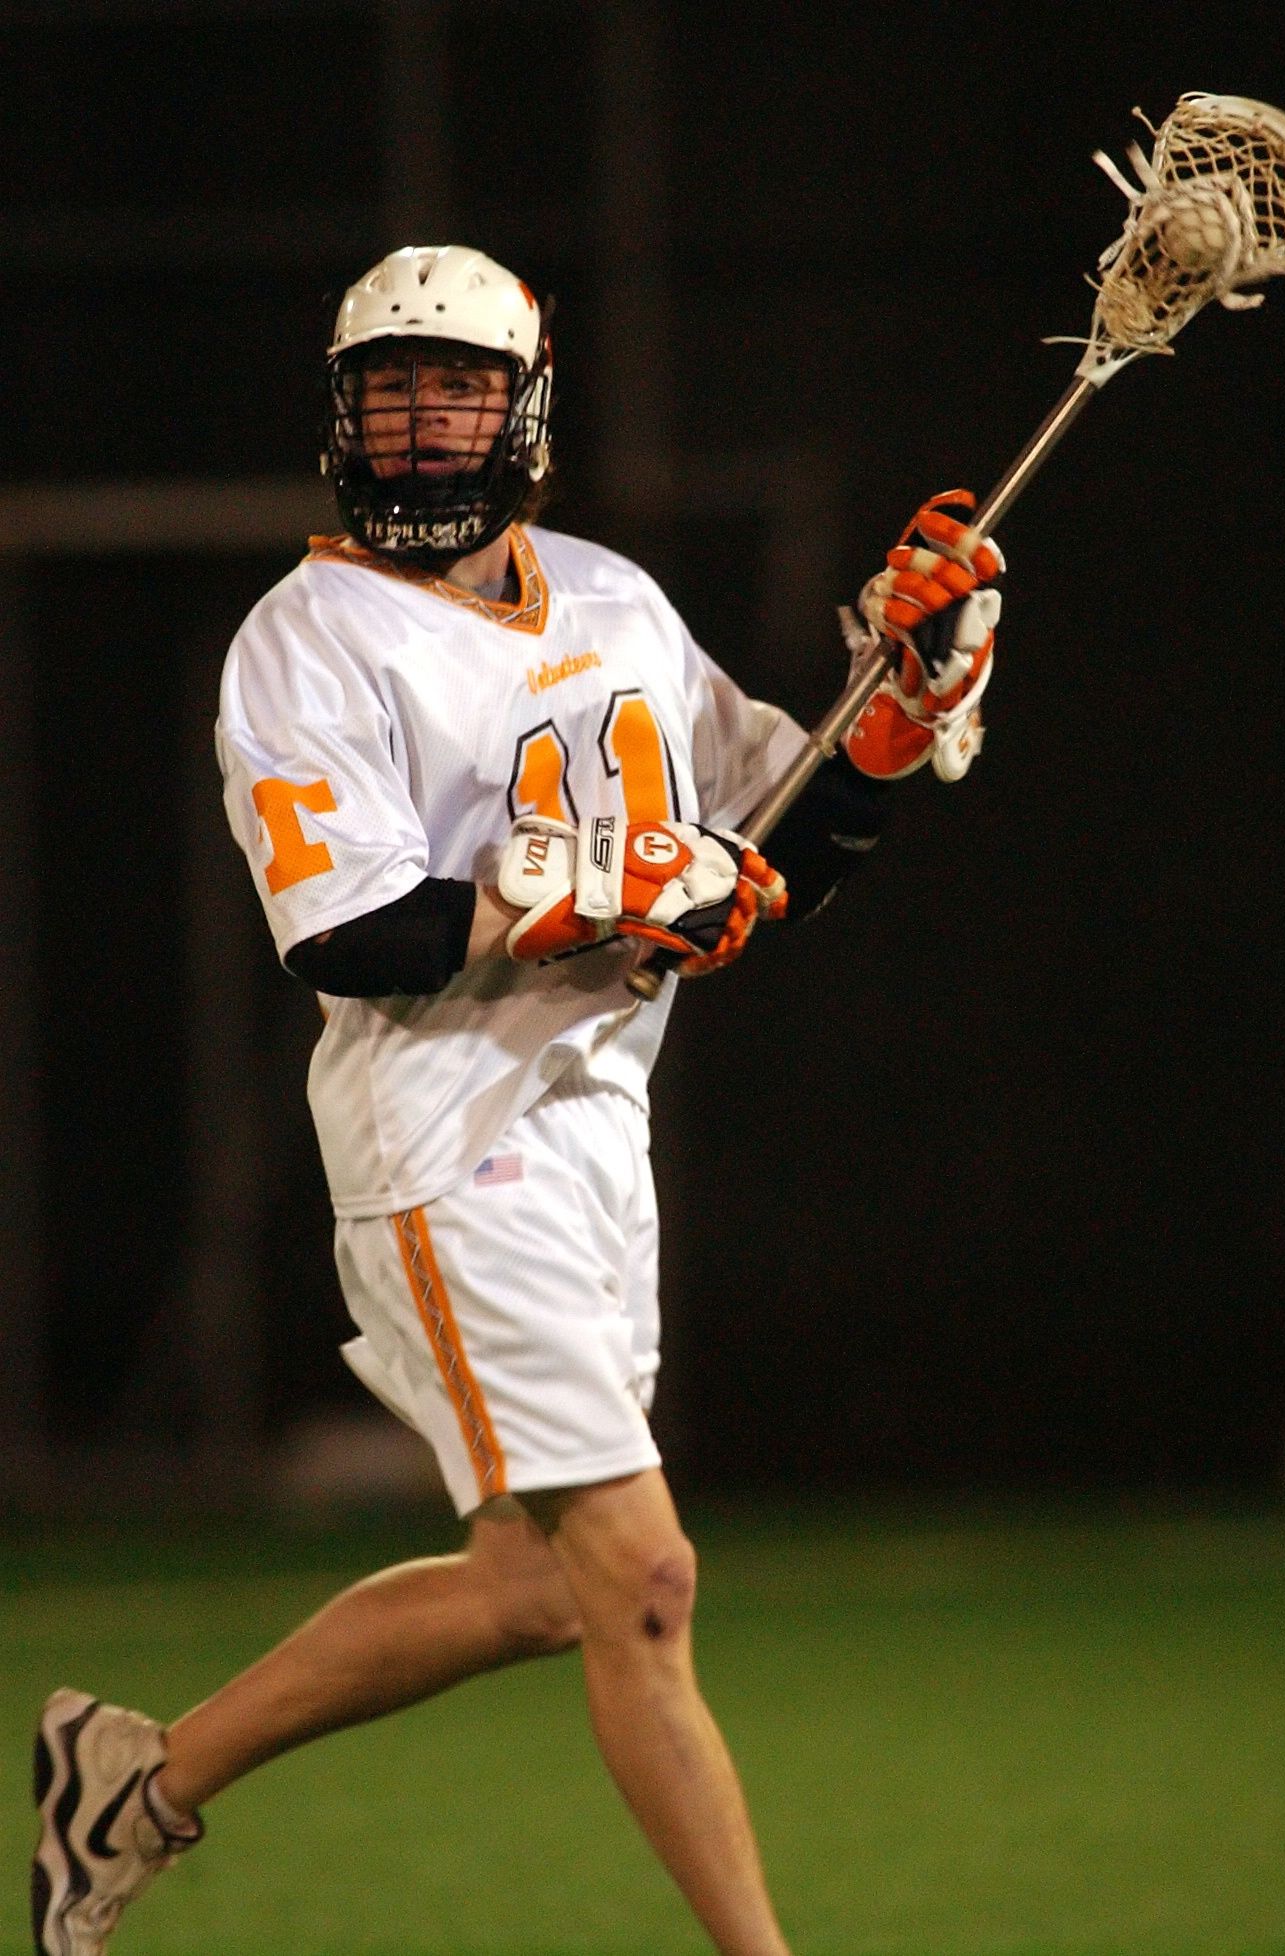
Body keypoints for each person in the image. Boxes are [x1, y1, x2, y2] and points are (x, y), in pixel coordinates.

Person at [32, 244, 1004, 1956]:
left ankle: (134, 1787)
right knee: (646, 1580)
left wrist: (895, 712)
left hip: (594, 1135)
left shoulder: (615, 599)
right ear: (342, 414)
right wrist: (592, 888)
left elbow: (774, 849)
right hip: (446, 1142)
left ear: (529, 408)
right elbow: (343, 932)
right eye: (391, 392)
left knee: (540, 1590)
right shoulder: (310, 638)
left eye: (459, 390)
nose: (422, 426)